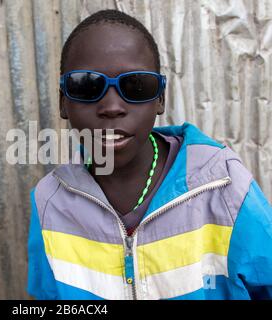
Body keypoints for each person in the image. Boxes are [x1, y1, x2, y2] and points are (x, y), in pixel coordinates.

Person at [27, 9, 272, 300]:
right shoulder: (49, 203)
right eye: (87, 85)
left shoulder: (225, 188)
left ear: (160, 99)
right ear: (63, 103)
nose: (112, 106)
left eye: (136, 85)